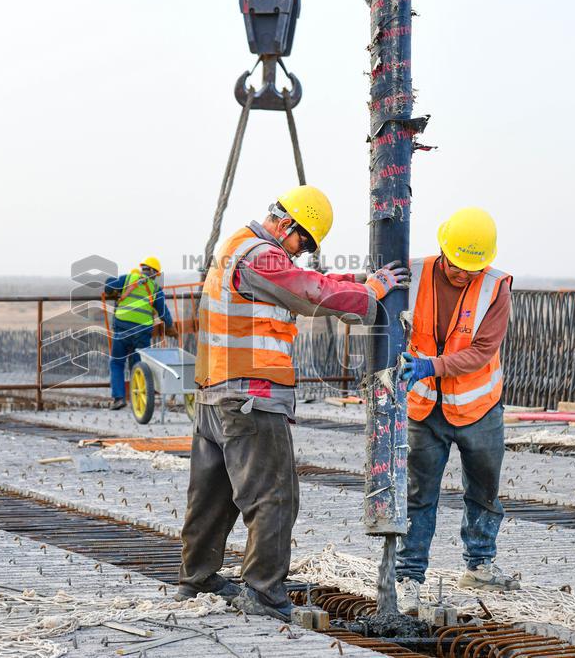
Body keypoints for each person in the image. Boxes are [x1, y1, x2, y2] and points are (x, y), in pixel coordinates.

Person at [178, 184, 409, 620]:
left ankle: (198, 579)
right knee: (274, 496)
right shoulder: (261, 255)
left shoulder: (239, 248)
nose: (303, 252)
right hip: (252, 397)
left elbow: (307, 281)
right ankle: (264, 594)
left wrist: (360, 283)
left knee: (212, 496)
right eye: (303, 241)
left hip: (215, 396)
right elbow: (306, 291)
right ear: (285, 224)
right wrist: (370, 296)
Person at [395, 207, 517, 611]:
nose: (464, 274)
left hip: (477, 406)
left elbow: (483, 351)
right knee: (418, 493)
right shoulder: (412, 273)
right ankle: (409, 576)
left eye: (473, 268)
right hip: (424, 408)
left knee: (484, 489)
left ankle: (479, 564)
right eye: (458, 266)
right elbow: (377, 307)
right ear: (443, 248)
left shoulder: (495, 287)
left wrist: (433, 366)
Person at [104, 257, 176, 410]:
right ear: (155, 274)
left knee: (117, 363)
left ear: (143, 269)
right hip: (142, 332)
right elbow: (164, 314)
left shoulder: (128, 278)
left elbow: (108, 287)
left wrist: (111, 282)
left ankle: (119, 398)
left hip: (122, 328)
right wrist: (170, 328)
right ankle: (139, 402)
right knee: (138, 365)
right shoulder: (156, 289)